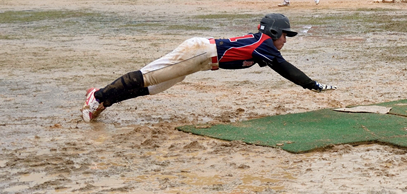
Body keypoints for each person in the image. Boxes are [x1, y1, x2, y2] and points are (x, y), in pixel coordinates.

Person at [81, 13, 336, 122]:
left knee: (154, 87)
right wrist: (311, 84)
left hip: (201, 60)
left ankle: (105, 100)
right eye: (285, 35)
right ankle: (99, 95)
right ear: (274, 32)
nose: (285, 40)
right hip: (200, 52)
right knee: (150, 77)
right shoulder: (265, 42)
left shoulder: (262, 45)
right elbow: (285, 69)